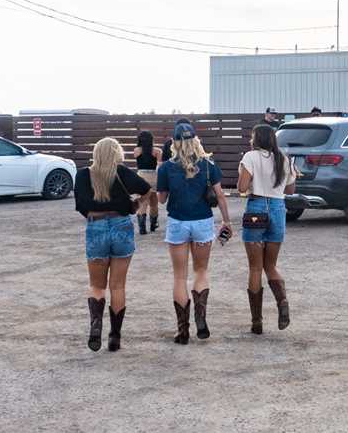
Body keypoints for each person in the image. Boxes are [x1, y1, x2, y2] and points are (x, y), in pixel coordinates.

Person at [156, 123, 233, 344]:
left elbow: (161, 200)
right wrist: (226, 221)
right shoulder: (209, 164)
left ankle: (183, 331)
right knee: (201, 271)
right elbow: (220, 196)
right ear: (196, 140)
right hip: (202, 222)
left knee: (179, 276)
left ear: (175, 142)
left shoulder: (166, 167)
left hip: (178, 222)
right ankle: (200, 318)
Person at [74, 138, 151, 352]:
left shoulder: (82, 175)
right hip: (122, 226)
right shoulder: (122, 173)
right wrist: (136, 205)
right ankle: (115, 336)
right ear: (116, 153)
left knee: (97, 286)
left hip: (96, 226)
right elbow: (147, 190)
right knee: (118, 286)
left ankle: (95, 328)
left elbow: (81, 205)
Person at [238, 125, 298, 333]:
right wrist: (294, 175)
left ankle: (257, 322)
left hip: (256, 208)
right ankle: (282, 304)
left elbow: (242, 187)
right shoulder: (284, 158)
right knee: (270, 266)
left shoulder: (251, 157)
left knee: (255, 268)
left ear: (257, 139)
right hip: (278, 209)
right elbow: (290, 189)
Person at [133, 130, 162, 235]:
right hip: (153, 176)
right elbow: (160, 166)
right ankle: (153, 225)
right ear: (151, 139)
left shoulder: (136, 150)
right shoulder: (157, 151)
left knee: (142, 201)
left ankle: (142, 228)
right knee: (154, 202)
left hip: (141, 176)